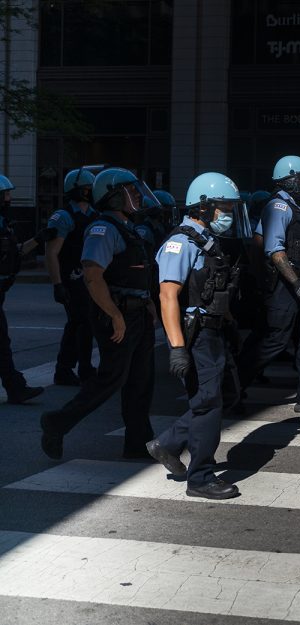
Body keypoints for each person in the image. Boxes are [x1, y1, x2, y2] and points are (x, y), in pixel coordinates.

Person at [40, 168, 158, 459]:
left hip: (138, 313)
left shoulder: (128, 228)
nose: (138, 196)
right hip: (118, 316)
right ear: (114, 197)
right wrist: (115, 315)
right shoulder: (102, 229)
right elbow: (93, 276)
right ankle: (57, 422)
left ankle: (138, 443)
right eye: (131, 191)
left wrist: (149, 304)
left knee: (141, 381)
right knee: (111, 379)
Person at [144, 173, 244, 499]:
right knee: (207, 406)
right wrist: (176, 348)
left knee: (220, 397)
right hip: (196, 337)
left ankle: (168, 443)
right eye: (223, 207)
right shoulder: (181, 243)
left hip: (213, 333)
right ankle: (200, 477)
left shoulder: (205, 240)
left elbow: (211, 291)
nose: (227, 213)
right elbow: (168, 296)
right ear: (203, 207)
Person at [236, 155, 300, 414]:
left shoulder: (295, 206)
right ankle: (231, 388)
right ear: (290, 179)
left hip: (295, 283)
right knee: (274, 339)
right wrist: (295, 284)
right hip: (285, 286)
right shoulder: (279, 207)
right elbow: (273, 250)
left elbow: (260, 242)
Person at [44, 168, 98, 386]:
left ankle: (83, 367)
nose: (91, 192)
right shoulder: (64, 216)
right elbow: (51, 252)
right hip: (72, 278)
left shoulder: (94, 214)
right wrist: (58, 284)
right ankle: (64, 369)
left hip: (89, 279)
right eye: (88, 188)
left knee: (87, 324)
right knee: (78, 321)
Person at [0, 174, 44, 404]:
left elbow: (13, 253)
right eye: (5, 194)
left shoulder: (3, 224)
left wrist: (38, 240)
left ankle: (15, 387)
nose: (9, 199)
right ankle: (15, 387)